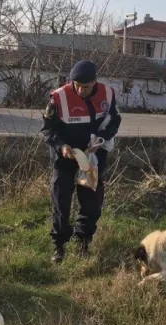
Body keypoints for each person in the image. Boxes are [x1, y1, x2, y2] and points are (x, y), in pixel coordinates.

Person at [40, 60, 122, 263]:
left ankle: (83, 241)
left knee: (92, 204)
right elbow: (48, 129)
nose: (80, 90)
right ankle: (59, 246)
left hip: (93, 157)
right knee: (61, 202)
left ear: (94, 82)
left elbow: (114, 121)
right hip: (65, 157)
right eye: (76, 85)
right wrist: (61, 146)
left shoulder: (108, 94)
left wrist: (100, 139)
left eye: (85, 87)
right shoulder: (58, 97)